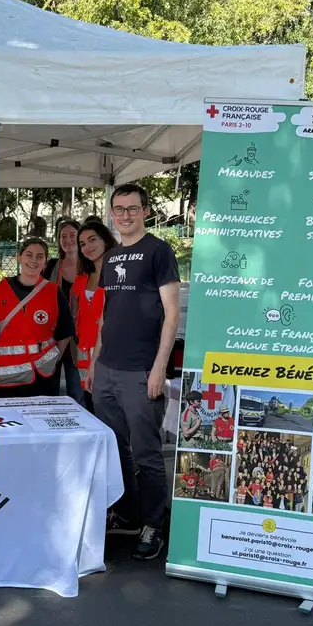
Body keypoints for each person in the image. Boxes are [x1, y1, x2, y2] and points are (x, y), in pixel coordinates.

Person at [86, 183, 181, 560]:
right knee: (115, 450)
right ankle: (126, 511)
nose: (125, 215)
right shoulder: (110, 259)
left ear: (145, 211)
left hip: (142, 372)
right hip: (107, 369)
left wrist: (159, 368)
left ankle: (154, 524)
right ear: (112, 213)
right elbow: (106, 316)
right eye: (119, 209)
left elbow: (172, 315)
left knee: (146, 453)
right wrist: (95, 362)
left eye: (132, 208)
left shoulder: (159, 251)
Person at [0, 237, 73, 398]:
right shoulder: (1, 290)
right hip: (5, 376)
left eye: (40, 256)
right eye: (29, 255)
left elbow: (65, 331)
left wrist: (54, 360)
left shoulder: (53, 292)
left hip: (41, 375)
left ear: (45, 261)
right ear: (19, 257)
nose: (34, 260)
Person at [72, 220, 117, 412]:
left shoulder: (120, 276)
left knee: (112, 418)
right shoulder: (81, 280)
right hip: (84, 361)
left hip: (111, 357)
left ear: (105, 240)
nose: (87, 247)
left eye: (92, 240)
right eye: (82, 244)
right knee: (91, 412)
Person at [44, 218, 84, 404]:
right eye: (63, 236)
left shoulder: (89, 266)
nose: (67, 240)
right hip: (53, 336)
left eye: (72, 235)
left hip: (80, 338)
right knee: (48, 388)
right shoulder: (52, 266)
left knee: (77, 390)